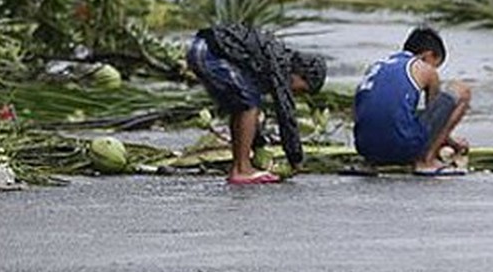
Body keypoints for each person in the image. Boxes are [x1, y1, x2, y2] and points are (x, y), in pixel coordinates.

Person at [187, 24, 328, 185]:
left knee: (241, 106)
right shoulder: (280, 67)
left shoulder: (273, 62)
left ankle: (239, 166)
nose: (297, 94)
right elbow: (286, 115)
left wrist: (259, 145)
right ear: (301, 75)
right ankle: (242, 169)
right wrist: (295, 159)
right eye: (302, 90)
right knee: (249, 105)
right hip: (210, 52)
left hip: (199, 47)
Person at [353, 27, 472, 176]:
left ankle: (369, 163)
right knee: (461, 90)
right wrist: (452, 143)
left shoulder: (377, 67)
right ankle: (426, 162)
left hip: (366, 148)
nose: (434, 70)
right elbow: (436, 122)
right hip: (402, 148)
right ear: (428, 56)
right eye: (435, 64)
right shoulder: (424, 69)